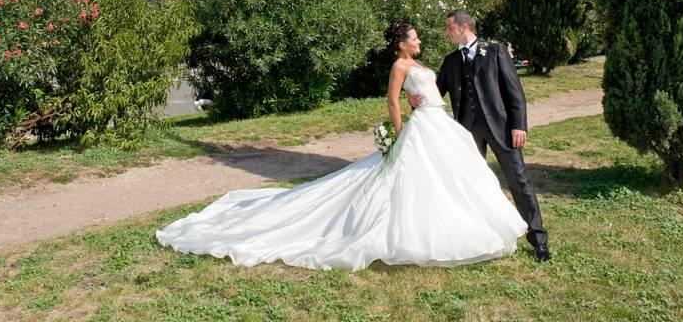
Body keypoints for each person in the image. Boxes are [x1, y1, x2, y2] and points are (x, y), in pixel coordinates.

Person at [156, 21, 527, 270]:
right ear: (401, 44)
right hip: (421, 128)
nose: (418, 40)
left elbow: (433, 91)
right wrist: (399, 132)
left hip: (439, 124)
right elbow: (393, 102)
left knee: (453, 177)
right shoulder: (400, 66)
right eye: (413, 37)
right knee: (411, 182)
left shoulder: (424, 63)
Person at [409, 9, 550, 262]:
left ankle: (538, 238)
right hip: (466, 131)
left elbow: (514, 91)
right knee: (469, 183)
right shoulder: (451, 61)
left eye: (449, 28)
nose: (446, 32)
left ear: (464, 28)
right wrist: (414, 98)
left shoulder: (495, 51)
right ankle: (478, 238)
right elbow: (434, 93)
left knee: (518, 179)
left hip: (501, 127)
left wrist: (519, 125)